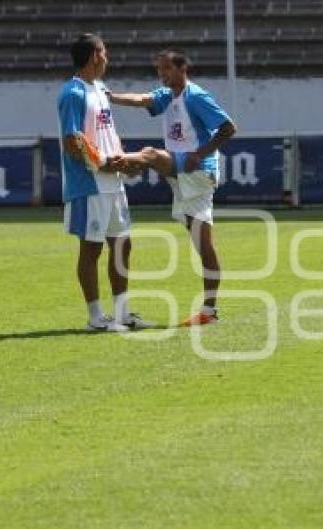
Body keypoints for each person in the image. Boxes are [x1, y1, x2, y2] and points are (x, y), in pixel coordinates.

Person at [106, 49, 237, 326]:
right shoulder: (168, 96)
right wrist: (111, 97)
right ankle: (209, 312)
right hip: (181, 174)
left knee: (150, 155)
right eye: (159, 70)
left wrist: (200, 153)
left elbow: (228, 128)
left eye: (166, 69)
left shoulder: (196, 96)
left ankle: (115, 161)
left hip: (198, 172)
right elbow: (143, 99)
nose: (162, 74)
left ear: (181, 69)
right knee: (204, 245)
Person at [57, 33, 150, 332]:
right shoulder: (72, 92)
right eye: (105, 53)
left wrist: (124, 161)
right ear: (95, 55)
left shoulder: (100, 89)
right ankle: (96, 317)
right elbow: (72, 140)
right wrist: (103, 164)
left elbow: (107, 134)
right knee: (91, 249)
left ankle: (122, 314)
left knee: (123, 244)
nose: (107, 59)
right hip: (90, 184)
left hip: (113, 181)